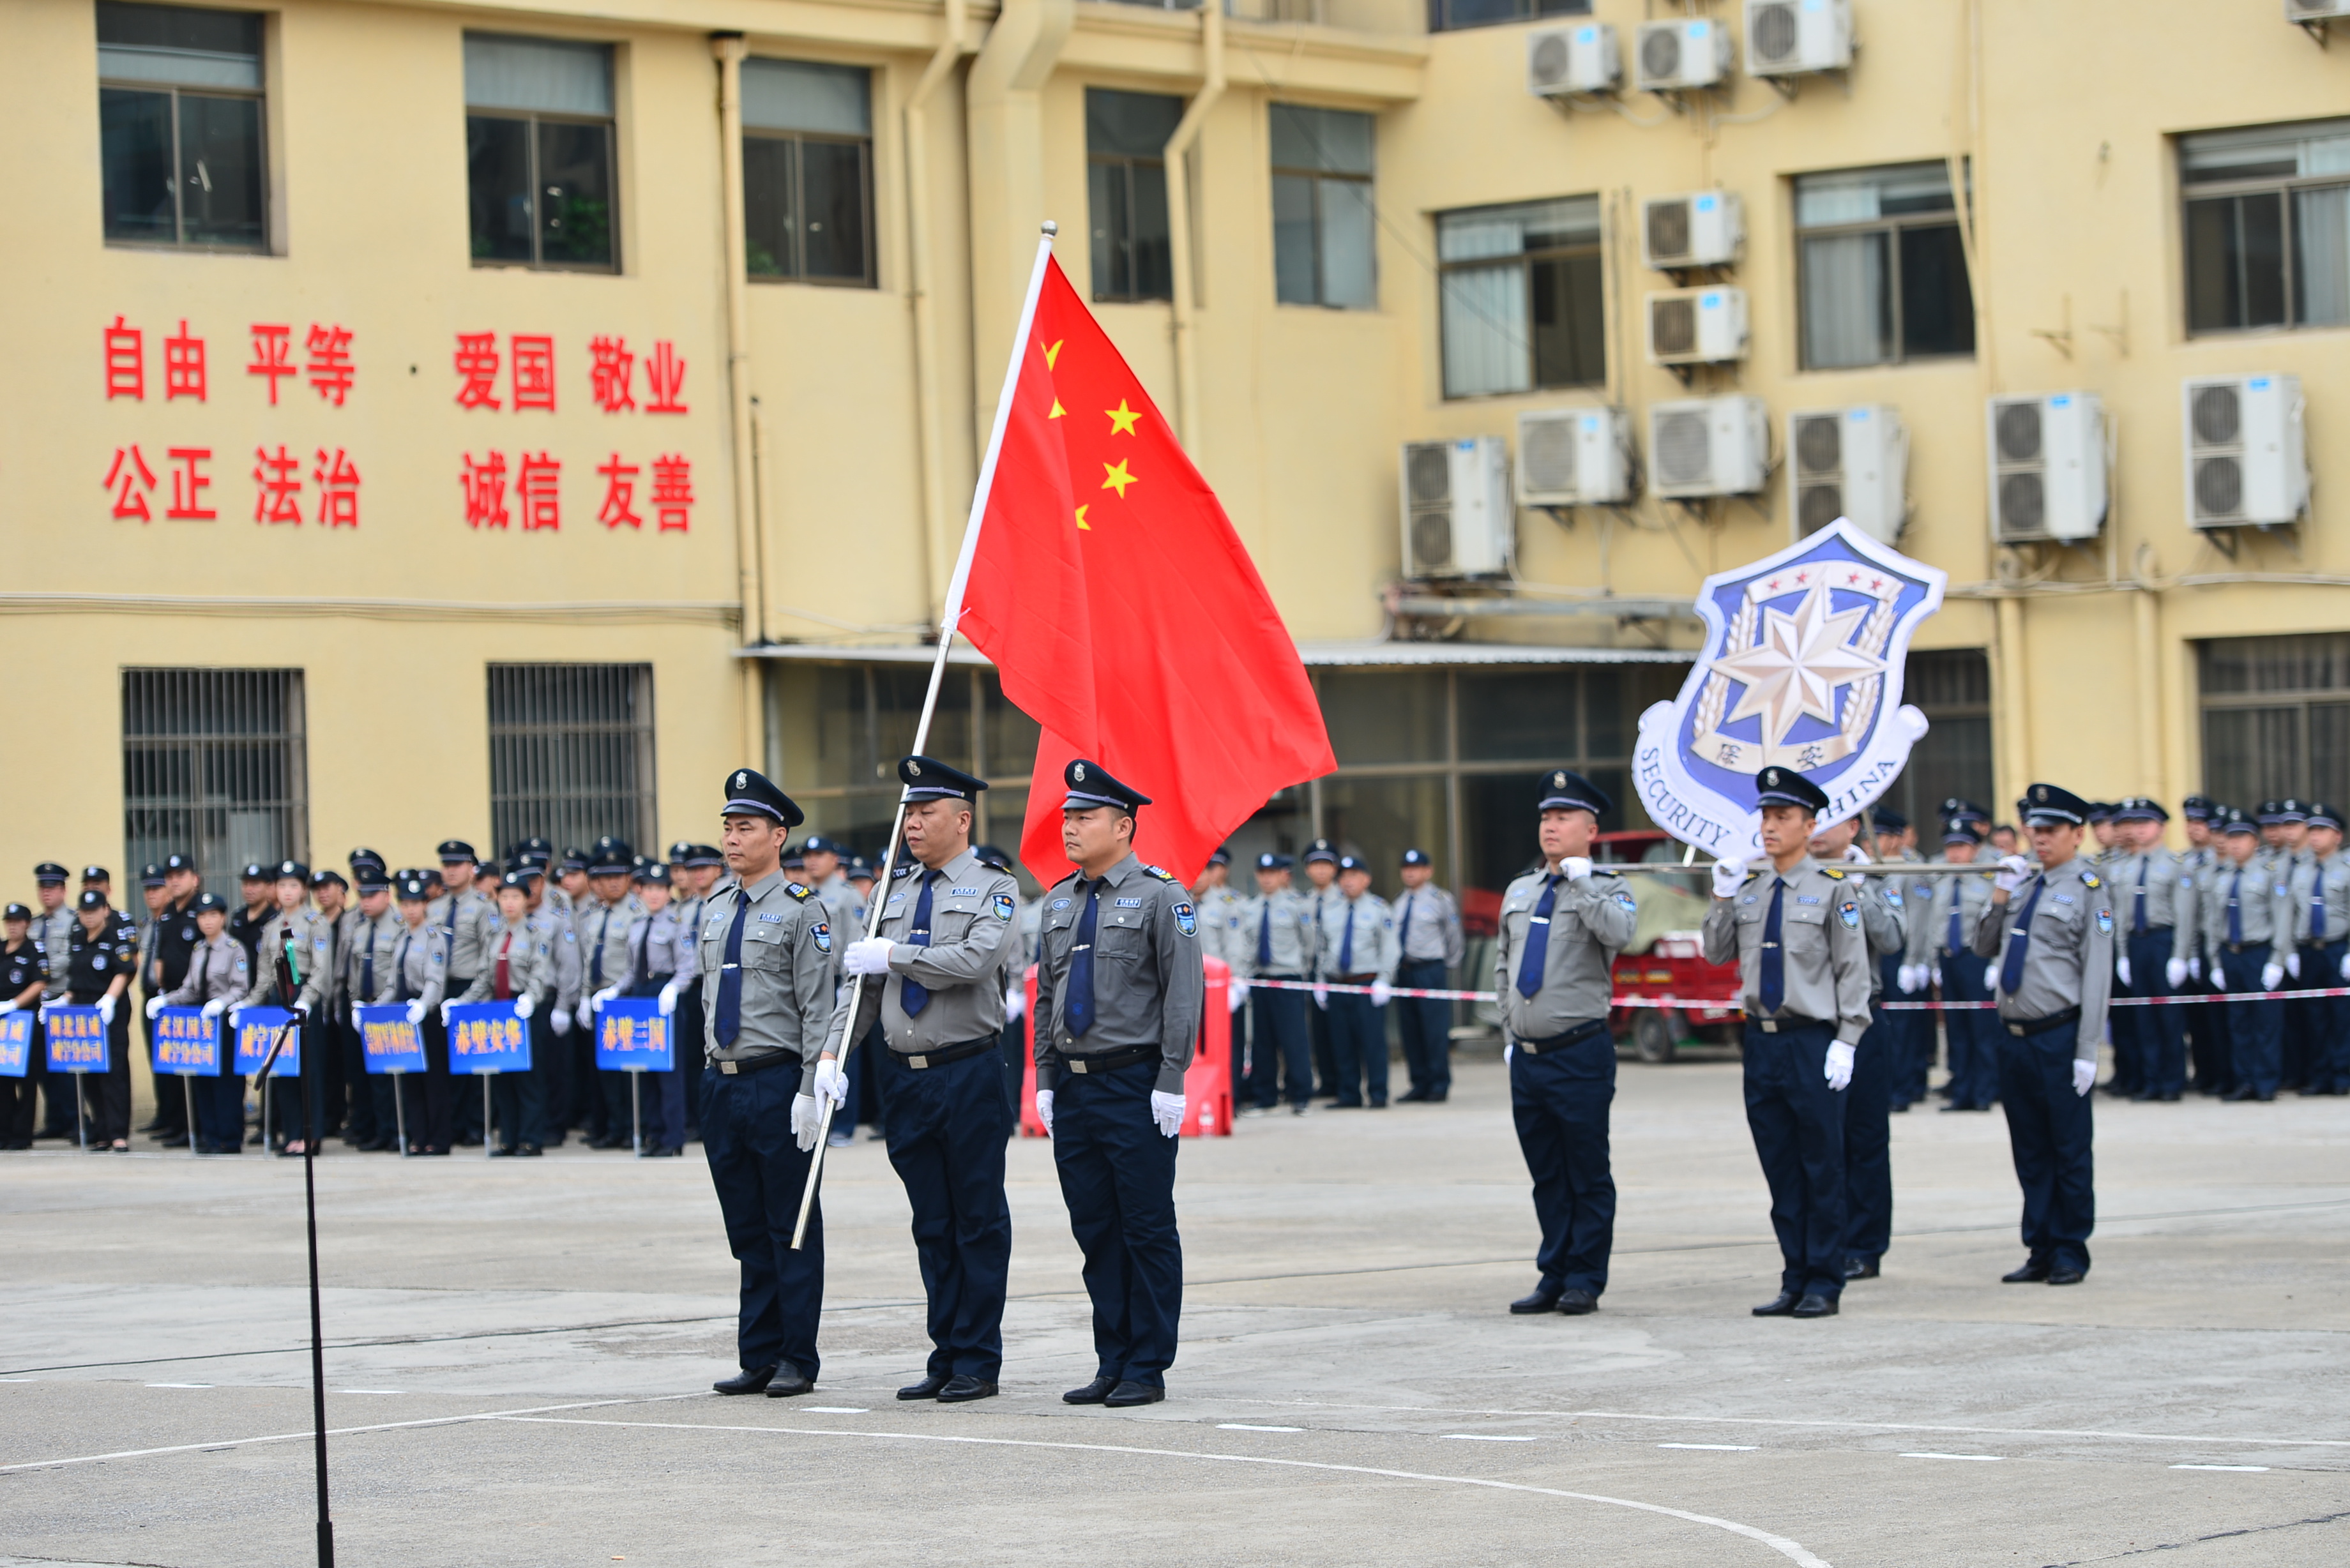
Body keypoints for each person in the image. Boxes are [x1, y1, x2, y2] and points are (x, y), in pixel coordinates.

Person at [822, 757, 1020, 1404]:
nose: (912, 822)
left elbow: (973, 958)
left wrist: (896, 952)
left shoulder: (993, 885)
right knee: (931, 1221)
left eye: (926, 811)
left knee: (976, 1217)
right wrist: (830, 1057)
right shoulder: (893, 890)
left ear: (961, 819)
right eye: (908, 811)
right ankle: (945, 1349)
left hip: (966, 1069)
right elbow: (865, 990)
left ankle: (977, 1357)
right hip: (904, 1077)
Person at [1031, 758, 1204, 1407]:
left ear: (1123, 825)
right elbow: (1048, 993)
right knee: (1094, 1227)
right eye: (1066, 816)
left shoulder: (1162, 896)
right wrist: (1046, 1077)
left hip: (1134, 1082)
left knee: (1146, 1226)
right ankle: (1111, 1355)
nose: (1069, 827)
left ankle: (1147, 1362)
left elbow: (1181, 993)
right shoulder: (1057, 900)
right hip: (1075, 1089)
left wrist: (1170, 1076)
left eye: (1083, 817)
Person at [1702, 767, 1872, 1320]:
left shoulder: (1833, 891)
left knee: (1821, 1165)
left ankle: (1824, 1280)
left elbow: (1853, 971)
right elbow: (1716, 951)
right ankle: (1793, 1276)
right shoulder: (1750, 890)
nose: (1770, 827)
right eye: (1766, 817)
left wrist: (1849, 1038)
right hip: (1763, 1042)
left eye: (1782, 818)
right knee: (1780, 1168)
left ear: (1809, 825)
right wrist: (1722, 896)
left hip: (1812, 1041)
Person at [699, 767, 838, 1399]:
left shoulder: (804, 911)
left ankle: (795, 1355)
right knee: (746, 1227)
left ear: (776, 835)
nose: (732, 838)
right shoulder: (713, 907)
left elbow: (817, 1008)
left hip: (777, 1079)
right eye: (727, 827)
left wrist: (810, 1088)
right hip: (722, 1082)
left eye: (745, 826)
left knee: (791, 1224)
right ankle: (756, 1352)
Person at [1494, 769, 1638, 1317]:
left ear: (1590, 828)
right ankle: (1553, 1272)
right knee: (1546, 1174)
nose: (1550, 827)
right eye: (1545, 817)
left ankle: (1585, 1276)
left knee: (1586, 1171)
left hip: (1579, 1052)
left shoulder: (1610, 887)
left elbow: (1621, 936)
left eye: (1563, 817)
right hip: (1528, 1058)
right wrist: (1509, 1028)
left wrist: (1581, 883)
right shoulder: (1521, 889)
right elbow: (1506, 964)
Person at [1976, 783, 2114, 1286]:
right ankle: (2040, 1244)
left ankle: (2071, 1248)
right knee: (2029, 1148)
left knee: (2068, 1146)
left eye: (2051, 830)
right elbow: (1982, 945)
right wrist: (2000, 895)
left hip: (2059, 1034)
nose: (2040, 839)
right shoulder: (2025, 885)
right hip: (2014, 1036)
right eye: (2035, 829)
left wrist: (2087, 1048)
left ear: (2077, 835)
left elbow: (2097, 973)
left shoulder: (2090, 889)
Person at [1812, 814, 1905, 1282]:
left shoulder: (1877, 878)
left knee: (1864, 1138)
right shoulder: (1791, 875)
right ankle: (1823, 1240)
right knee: (1817, 1139)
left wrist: (1857, 886)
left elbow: (1891, 937)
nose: (1818, 831)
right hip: (1809, 1021)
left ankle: (1865, 1245)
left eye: (1832, 821)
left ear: (1853, 828)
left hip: (1862, 1020)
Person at [239, 861, 338, 1157]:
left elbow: (322, 970)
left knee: (308, 1072)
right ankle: (292, 1133)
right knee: (282, 1071)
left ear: (303, 889)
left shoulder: (315, 923)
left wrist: (308, 999)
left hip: (303, 997)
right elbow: (265, 974)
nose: (287, 891)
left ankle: (311, 1135)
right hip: (277, 1000)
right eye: (282, 886)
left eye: (293, 885)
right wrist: (249, 1003)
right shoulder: (272, 926)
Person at [1907, 819, 1998, 1112]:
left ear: (1974, 849)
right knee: (1956, 1030)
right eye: (1950, 847)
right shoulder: (1940, 881)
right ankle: (1961, 1091)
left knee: (1982, 1030)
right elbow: (1933, 924)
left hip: (1977, 958)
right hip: (1949, 958)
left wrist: (1995, 963)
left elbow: (1996, 926)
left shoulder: (1987, 882)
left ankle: (1984, 1092)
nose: (1955, 854)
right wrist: (1933, 963)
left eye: (1961, 847)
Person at [149, 893, 249, 1154]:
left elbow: (241, 988)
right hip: (202, 1024)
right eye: (203, 916)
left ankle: (230, 1137)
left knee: (227, 1083)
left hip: (225, 1021)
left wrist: (221, 1003)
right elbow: (189, 989)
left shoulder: (234, 949)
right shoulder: (198, 949)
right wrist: (165, 1001)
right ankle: (211, 1136)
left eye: (213, 915)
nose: (207, 921)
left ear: (223, 917)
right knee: (202, 1081)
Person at [2204, 808, 2290, 1102]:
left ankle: (2266, 1082)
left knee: (2266, 1022)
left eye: (2242, 838)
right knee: (2237, 1022)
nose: (2236, 844)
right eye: (2231, 838)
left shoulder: (2270, 875)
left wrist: (2277, 960)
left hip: (2259, 953)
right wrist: (2215, 961)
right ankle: (2244, 1081)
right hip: (2232, 954)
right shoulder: (2221, 876)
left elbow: (2282, 920)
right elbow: (2214, 923)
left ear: (2255, 841)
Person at [2108, 798, 2188, 1103]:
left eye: (2146, 824)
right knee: (2143, 1017)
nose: (2139, 831)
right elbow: (2119, 915)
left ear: (2161, 828)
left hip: (2162, 941)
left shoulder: (2175, 865)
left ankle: (2172, 1081)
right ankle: (2151, 1080)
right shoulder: (2124, 867)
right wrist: (2124, 955)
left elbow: (2184, 917)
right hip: (2136, 942)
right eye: (2135, 825)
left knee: (2169, 1018)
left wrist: (2181, 956)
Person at [54, 887, 138, 1150]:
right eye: (84, 912)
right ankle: (102, 1131)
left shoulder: (116, 937)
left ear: (105, 910)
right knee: (90, 1072)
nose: (89, 916)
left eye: (94, 911)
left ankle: (118, 1134)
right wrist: (63, 1000)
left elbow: (124, 972)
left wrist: (110, 999)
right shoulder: (77, 935)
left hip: (108, 1009)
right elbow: (76, 977)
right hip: (82, 1012)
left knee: (114, 1073)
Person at [1233, 852, 1317, 1117]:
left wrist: (1298, 968)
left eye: (1273, 873)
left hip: (1288, 978)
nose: (1267, 879)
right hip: (1260, 978)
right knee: (1262, 1040)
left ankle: (1300, 1094)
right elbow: (1245, 945)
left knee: (1294, 1039)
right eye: (1263, 873)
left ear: (1283, 875)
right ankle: (1264, 1095)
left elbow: (1310, 943)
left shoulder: (1297, 905)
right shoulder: (1249, 907)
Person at [379, 873, 453, 1155]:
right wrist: (375, 1007)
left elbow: (435, 980)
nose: (410, 909)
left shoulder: (434, 937)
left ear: (426, 905)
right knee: (410, 1079)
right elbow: (391, 982)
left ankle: (439, 1138)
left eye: (416, 903)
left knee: (433, 1080)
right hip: (403, 1012)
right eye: (405, 903)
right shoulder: (401, 938)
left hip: (427, 1013)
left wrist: (424, 1004)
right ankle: (418, 1136)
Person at [577, 837, 643, 1149]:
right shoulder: (593, 914)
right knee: (604, 1070)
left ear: (629, 878)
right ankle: (614, 1127)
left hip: (626, 999)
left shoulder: (638, 912)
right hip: (598, 997)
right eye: (605, 877)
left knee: (628, 1071)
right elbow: (586, 959)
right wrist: (582, 999)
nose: (612, 882)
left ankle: (633, 1127)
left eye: (618, 876)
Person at [1317, 855, 1397, 1108]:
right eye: (1344, 877)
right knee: (1342, 1042)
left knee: (1372, 1042)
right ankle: (1349, 1093)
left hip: (1366, 983)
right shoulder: (1330, 910)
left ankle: (1378, 1093)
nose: (1348, 882)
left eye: (1354, 876)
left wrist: (1384, 980)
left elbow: (1390, 948)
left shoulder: (1378, 908)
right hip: (1338, 983)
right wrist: (1321, 981)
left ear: (1366, 879)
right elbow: (1322, 948)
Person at [1391, 848, 1464, 1103]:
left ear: (1428, 871)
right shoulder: (1400, 902)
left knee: (1434, 1030)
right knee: (1411, 1030)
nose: (1410, 873)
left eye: (1416, 868)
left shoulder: (1440, 899)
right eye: (1406, 868)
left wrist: (1447, 965)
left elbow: (1454, 935)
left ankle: (1438, 1083)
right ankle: (1419, 1082)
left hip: (1430, 970)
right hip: (1406, 971)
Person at [627, 861, 689, 1156]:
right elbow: (631, 969)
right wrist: (613, 990)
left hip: (664, 995)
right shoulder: (637, 926)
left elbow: (687, 968)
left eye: (660, 889)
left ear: (668, 892)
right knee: (645, 1067)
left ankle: (672, 1137)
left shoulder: (677, 925)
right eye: (649, 889)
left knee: (668, 1070)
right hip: (640, 994)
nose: (654, 894)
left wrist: (673, 988)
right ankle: (653, 1133)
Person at [340, 863, 402, 1152]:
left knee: (392, 1076)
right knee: (368, 1076)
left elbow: (399, 971)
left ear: (386, 896)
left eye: (372, 896)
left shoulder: (400, 925)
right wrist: (355, 1002)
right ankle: (377, 1129)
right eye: (362, 896)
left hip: (390, 1007)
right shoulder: (360, 928)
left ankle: (396, 1130)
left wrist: (381, 1003)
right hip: (364, 1009)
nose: (365, 902)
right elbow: (354, 970)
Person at [2289, 803, 2349, 1097]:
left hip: (2337, 948)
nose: (2314, 837)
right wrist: (2288, 952)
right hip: (2308, 950)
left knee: (2342, 1016)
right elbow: (2289, 914)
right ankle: (2320, 1075)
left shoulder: (2347, 868)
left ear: (2337, 836)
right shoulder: (2300, 871)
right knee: (2313, 1016)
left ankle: (2342, 1075)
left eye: (2322, 831)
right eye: (2311, 830)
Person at [2175, 797, 2231, 1097]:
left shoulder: (2223, 862)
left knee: (2223, 1020)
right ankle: (2205, 1072)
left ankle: (2224, 1073)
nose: (2195, 830)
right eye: (2190, 823)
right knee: (2199, 1019)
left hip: (2221, 944)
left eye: (2201, 824)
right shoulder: (2183, 862)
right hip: (2197, 948)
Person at [29, 864, 77, 1141]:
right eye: (43, 888)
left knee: (66, 1064)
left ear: (63, 890)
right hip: (38, 1001)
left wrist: (40, 971)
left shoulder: (73, 921)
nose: (46, 893)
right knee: (44, 1065)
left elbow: (68, 958)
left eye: (52, 888)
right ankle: (55, 1120)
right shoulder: (34, 924)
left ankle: (74, 1119)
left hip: (62, 999)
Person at [1, 903, 49, 1149]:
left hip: (24, 1023)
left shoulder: (34, 950)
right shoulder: (0, 948)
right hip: (1, 1027)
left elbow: (40, 982)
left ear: (27, 924)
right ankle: (4, 1133)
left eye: (17, 921)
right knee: (2, 1082)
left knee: (27, 1083)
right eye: (8, 921)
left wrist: (13, 1003)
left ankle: (22, 1136)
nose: (12, 925)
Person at [1300, 839, 1340, 1097]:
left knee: (1340, 1030)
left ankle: (1343, 1080)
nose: (1321, 871)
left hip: (1336, 973)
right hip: (1311, 971)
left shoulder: (1344, 899)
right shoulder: (1302, 902)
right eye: (1316, 865)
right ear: (1307, 870)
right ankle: (1326, 1080)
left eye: (1326, 865)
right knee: (1318, 1031)